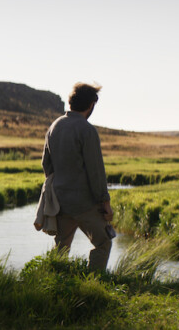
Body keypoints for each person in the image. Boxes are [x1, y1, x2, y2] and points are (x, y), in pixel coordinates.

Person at [41, 82, 113, 271]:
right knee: (103, 242)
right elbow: (95, 171)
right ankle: (94, 283)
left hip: (61, 201)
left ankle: (54, 282)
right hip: (84, 203)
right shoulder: (87, 130)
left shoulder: (54, 126)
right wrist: (104, 201)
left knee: (61, 247)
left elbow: (46, 164)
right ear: (91, 105)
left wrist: (58, 186)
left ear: (71, 102)